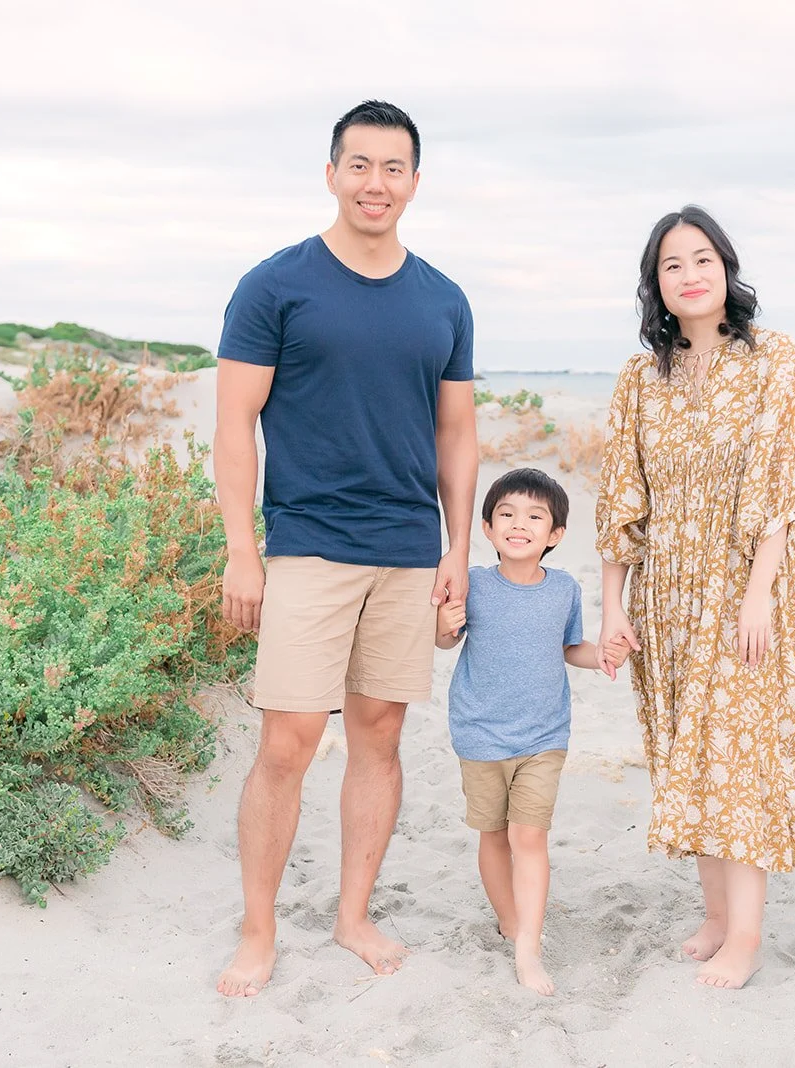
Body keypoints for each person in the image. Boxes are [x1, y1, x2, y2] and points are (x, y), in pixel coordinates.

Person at [595, 205, 795, 990]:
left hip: (748, 584)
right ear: (656, 285)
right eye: (673, 265)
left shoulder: (773, 357)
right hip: (668, 591)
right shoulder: (643, 376)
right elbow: (620, 500)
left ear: (727, 268)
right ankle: (712, 917)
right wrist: (613, 607)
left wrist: (757, 594)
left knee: (737, 756)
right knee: (690, 751)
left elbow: (779, 485)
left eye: (702, 258)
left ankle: (745, 936)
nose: (690, 274)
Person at [212, 100, 478, 997]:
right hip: (309, 548)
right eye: (359, 165)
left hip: (406, 553)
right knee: (286, 743)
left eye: (393, 168)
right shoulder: (275, 285)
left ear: (414, 181)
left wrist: (453, 551)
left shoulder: (443, 299)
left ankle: (352, 915)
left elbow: (456, 436)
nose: (376, 183)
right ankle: (258, 931)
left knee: (380, 738)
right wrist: (241, 551)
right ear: (331, 174)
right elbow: (234, 426)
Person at [435, 468, 624, 996]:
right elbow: (446, 644)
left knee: (529, 836)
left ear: (555, 535)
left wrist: (603, 655)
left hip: (544, 736)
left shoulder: (564, 589)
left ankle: (528, 948)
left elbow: (571, 649)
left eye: (535, 517)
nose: (520, 525)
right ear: (488, 529)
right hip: (478, 732)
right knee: (493, 835)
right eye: (507, 516)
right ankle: (509, 919)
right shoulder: (473, 584)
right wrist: (444, 626)